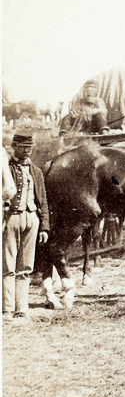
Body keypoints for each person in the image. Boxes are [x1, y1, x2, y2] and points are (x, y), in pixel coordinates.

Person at [3, 133, 50, 322]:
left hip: (32, 219)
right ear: (14, 147)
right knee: (8, 265)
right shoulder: (6, 168)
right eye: (22, 147)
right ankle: (6, 308)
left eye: (29, 147)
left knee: (26, 266)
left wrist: (45, 226)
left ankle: (21, 308)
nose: (26, 150)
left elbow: (43, 200)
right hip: (11, 218)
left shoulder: (36, 171)